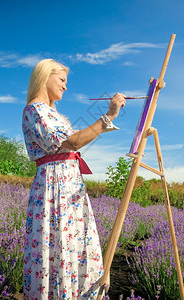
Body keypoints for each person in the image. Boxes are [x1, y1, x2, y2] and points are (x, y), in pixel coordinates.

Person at [21, 58, 125, 299]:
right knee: (57, 243)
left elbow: (74, 142)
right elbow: (74, 142)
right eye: (62, 80)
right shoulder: (34, 111)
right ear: (44, 77)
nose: (65, 86)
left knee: (74, 242)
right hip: (55, 184)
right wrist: (109, 115)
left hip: (68, 182)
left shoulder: (54, 113)